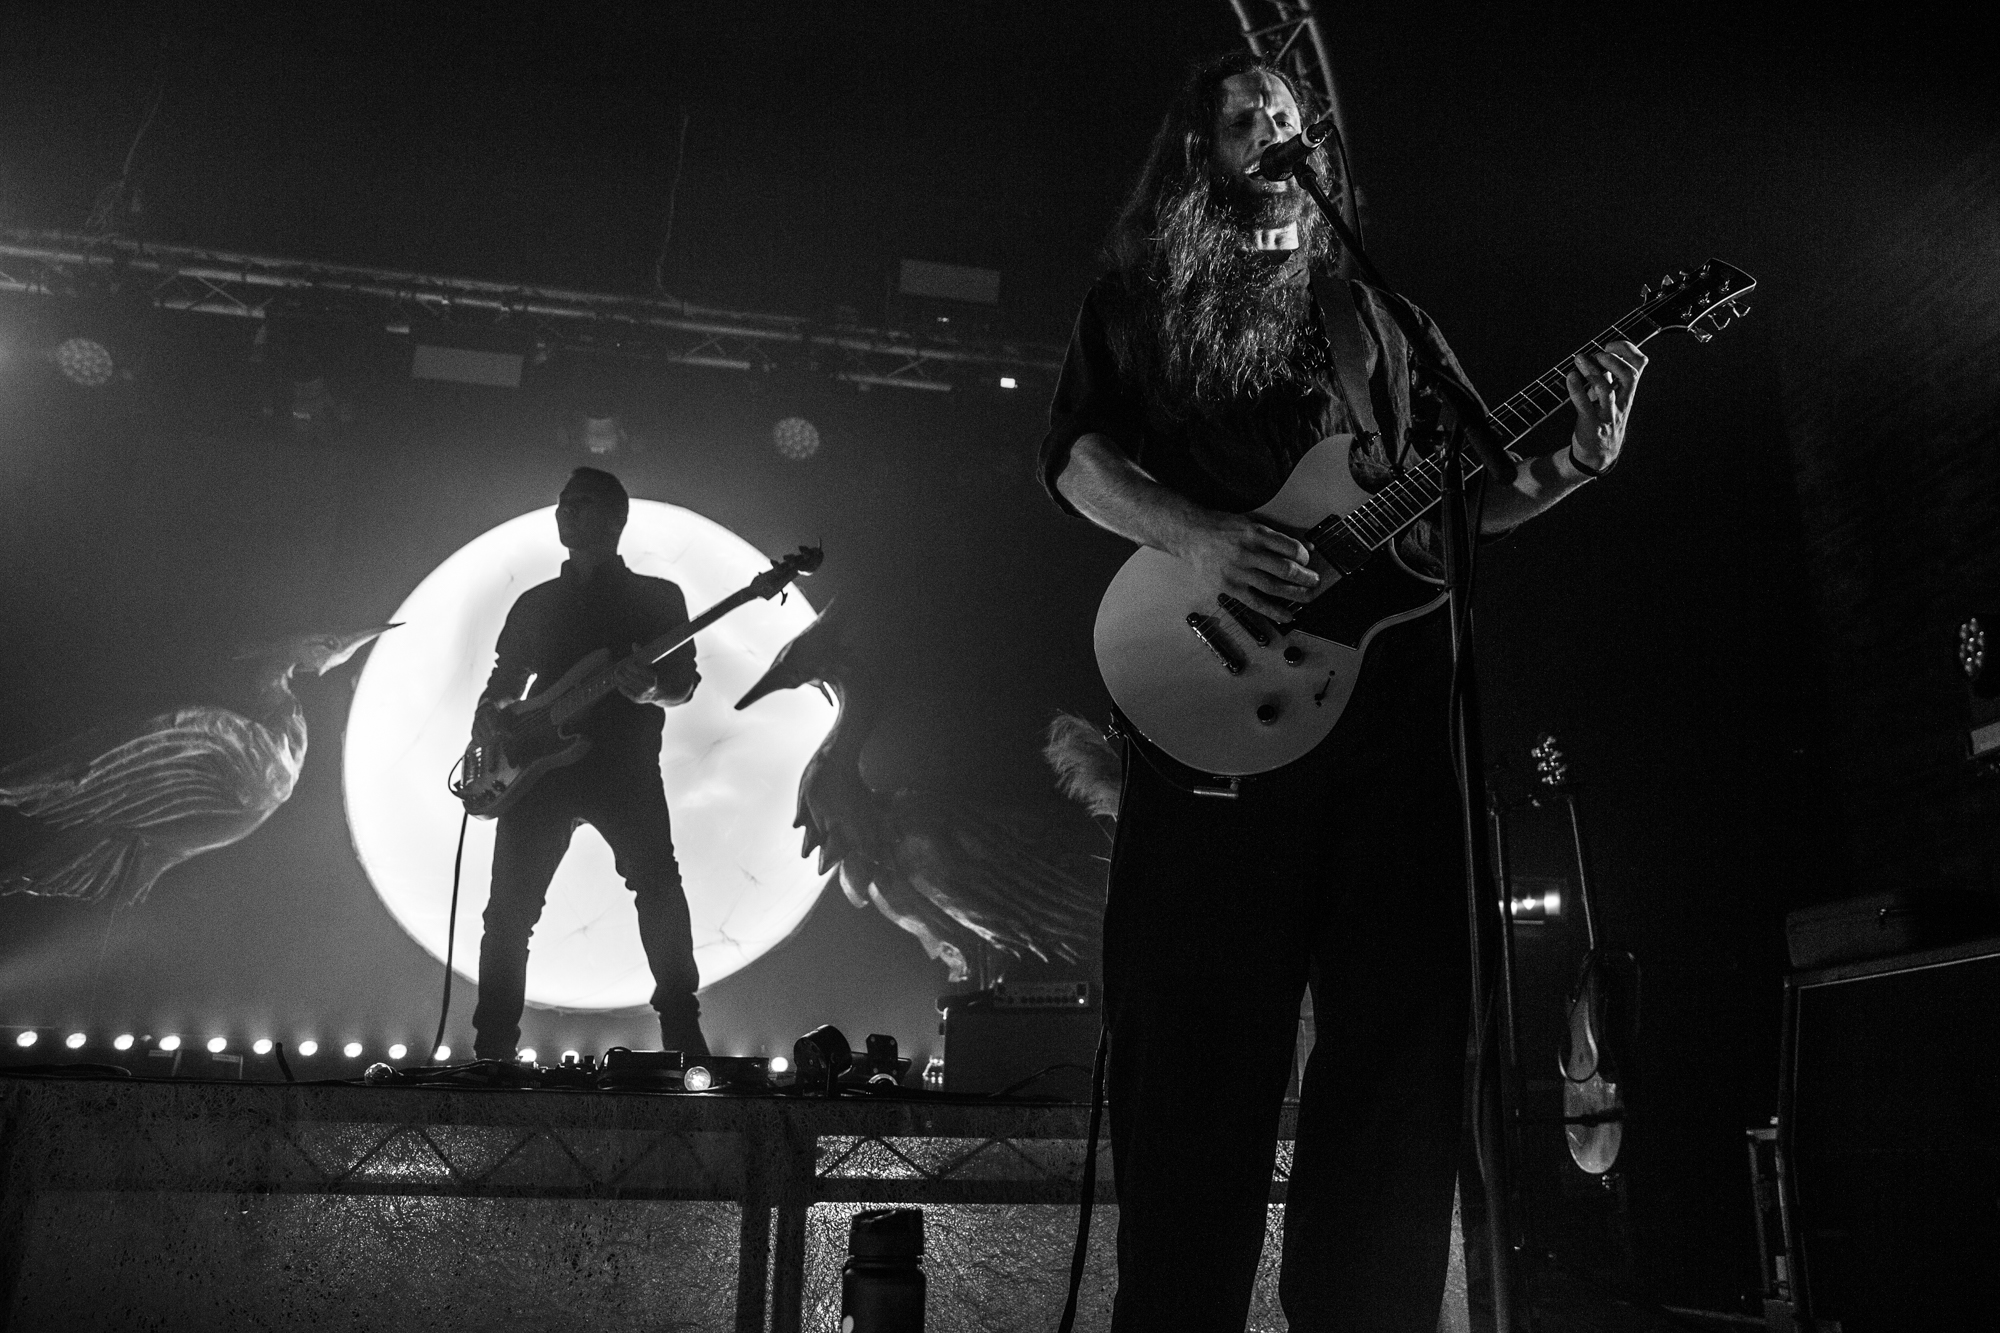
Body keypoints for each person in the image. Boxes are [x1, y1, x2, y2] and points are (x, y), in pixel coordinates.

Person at [1038, 53, 1646, 1332]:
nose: (1276, 128)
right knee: (1196, 1063)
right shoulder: (1137, 304)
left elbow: (1458, 508)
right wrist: (1198, 536)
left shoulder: (1380, 318)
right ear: (1199, 150)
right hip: (1210, 721)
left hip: (1384, 733)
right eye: (1247, 114)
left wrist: (1573, 468)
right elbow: (1078, 460)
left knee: (1399, 1060)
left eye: (1289, 114)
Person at [469, 467, 708, 1061]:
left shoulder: (657, 598)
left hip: (623, 767)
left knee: (657, 887)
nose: (565, 514)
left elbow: (683, 682)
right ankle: (492, 1049)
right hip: (536, 773)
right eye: (562, 504)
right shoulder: (536, 603)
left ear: (615, 518)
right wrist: (492, 718)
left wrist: (651, 687)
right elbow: (503, 682)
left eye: (580, 505)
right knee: (508, 914)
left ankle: (684, 1035)